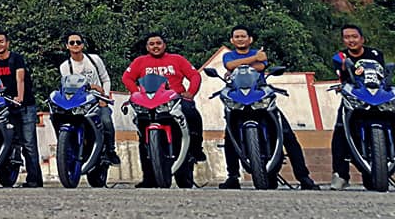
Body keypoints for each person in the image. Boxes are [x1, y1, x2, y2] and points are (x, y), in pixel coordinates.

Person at [217, 26, 319, 190]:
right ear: (232, 40)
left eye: (243, 36)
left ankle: (303, 177)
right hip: (237, 98)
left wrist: (248, 62)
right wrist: (253, 59)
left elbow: (261, 67)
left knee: (287, 135)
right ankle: (233, 176)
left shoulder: (259, 53)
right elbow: (229, 65)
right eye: (237, 36)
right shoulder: (229, 55)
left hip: (260, 95)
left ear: (250, 39)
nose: (240, 39)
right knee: (230, 136)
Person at [121, 32, 205, 188]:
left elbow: (194, 75)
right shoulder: (140, 61)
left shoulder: (177, 59)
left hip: (175, 101)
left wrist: (190, 93)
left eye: (158, 43)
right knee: (142, 138)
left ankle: (196, 148)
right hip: (148, 103)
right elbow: (127, 78)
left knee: (192, 114)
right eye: (151, 44)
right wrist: (135, 92)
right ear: (147, 47)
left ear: (164, 45)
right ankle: (149, 178)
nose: (155, 46)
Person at [330, 24, 385, 190]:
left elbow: (382, 75)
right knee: (340, 131)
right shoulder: (339, 56)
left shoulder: (375, 54)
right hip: (353, 97)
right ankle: (341, 175)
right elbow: (341, 70)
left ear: (362, 39)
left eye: (354, 37)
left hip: (376, 96)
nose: (351, 40)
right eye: (347, 37)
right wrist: (345, 66)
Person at [0, 30, 43, 188]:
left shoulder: (16, 59)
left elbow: (20, 79)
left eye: (1, 41)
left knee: (28, 144)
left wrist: (19, 97)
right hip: (6, 106)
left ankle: (34, 180)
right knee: (6, 139)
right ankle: (6, 172)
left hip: (24, 106)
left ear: (7, 43)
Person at [58, 32, 119, 165]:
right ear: (67, 46)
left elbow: (105, 79)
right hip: (78, 103)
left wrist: (104, 97)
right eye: (72, 43)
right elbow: (68, 86)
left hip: (97, 101)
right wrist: (91, 86)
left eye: (78, 42)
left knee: (106, 121)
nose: (75, 45)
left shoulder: (94, 60)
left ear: (83, 45)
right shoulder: (65, 66)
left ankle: (110, 151)